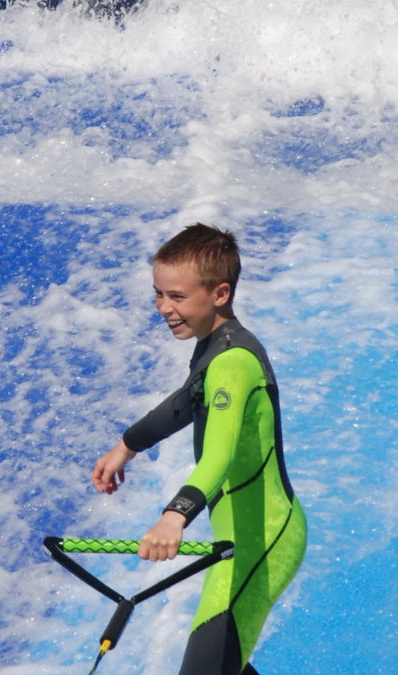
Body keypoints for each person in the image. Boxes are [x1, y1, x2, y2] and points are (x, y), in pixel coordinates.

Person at [91, 223, 306, 675]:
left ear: (220, 293)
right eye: (158, 294)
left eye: (177, 296)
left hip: (263, 542)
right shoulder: (216, 348)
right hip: (243, 536)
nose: (164, 308)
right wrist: (127, 445)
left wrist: (175, 516)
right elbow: (187, 400)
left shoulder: (231, 363)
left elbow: (219, 455)